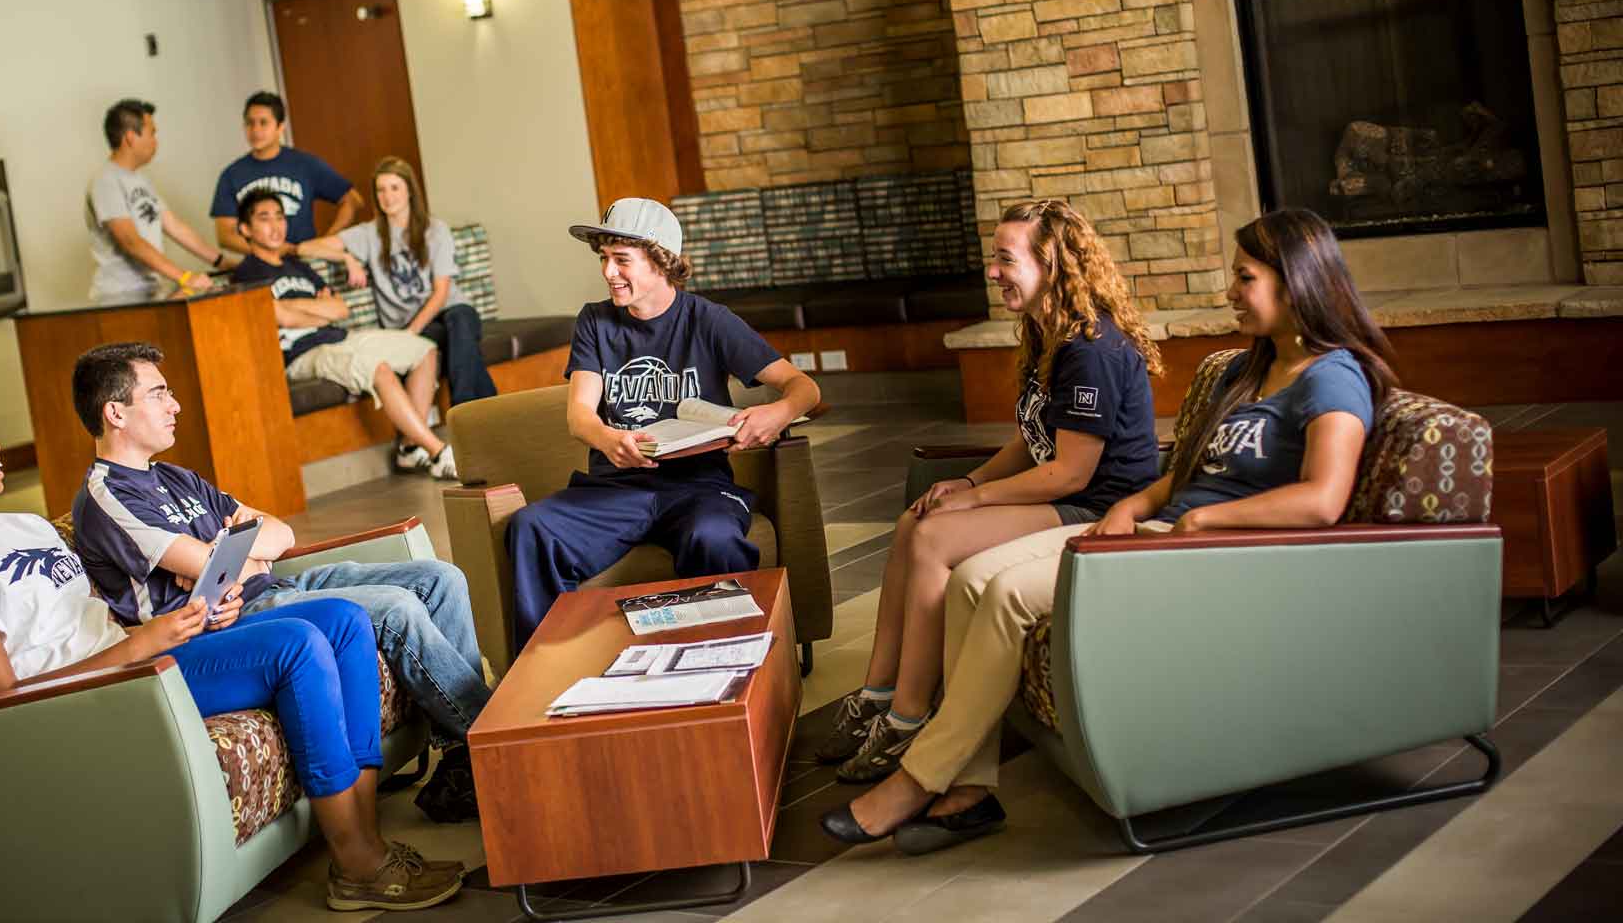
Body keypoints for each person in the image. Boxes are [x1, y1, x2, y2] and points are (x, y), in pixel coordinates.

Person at [821, 208, 1395, 855]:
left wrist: (1204, 519)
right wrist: (1137, 506)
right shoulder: (1248, 370)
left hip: (1216, 554)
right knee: (972, 581)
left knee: (1006, 593)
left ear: (1297, 283)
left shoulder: (1333, 377)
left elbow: (1323, 500)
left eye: (1245, 277)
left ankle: (917, 778)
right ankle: (969, 792)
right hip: (1159, 532)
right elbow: (1181, 470)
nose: (1231, 291)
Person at [0, 378, 464, 911]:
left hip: (139, 657)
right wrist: (138, 646)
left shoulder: (21, 526)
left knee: (342, 621)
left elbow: (83, 622)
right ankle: (358, 863)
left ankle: (367, 834)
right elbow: (2, 696)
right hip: (106, 692)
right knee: (299, 645)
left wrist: (173, 625)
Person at [64, 341, 489, 821]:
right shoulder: (107, 497)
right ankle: (493, 744)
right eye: (159, 394)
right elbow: (210, 562)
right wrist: (236, 551)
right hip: (236, 619)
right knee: (397, 608)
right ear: (115, 412)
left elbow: (279, 534)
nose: (175, 405)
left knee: (440, 577)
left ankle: (461, 757)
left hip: (277, 584)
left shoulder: (175, 477)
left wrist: (234, 555)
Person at [820, 199, 1162, 785]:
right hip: (1063, 491)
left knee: (932, 538)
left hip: (1095, 506)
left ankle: (908, 722)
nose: (993, 271)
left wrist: (976, 501)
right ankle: (877, 695)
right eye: (993, 258)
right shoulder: (1045, 332)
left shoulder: (1090, 347)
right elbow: (1034, 440)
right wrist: (972, 482)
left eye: (1006, 259)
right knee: (913, 522)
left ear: (1051, 263)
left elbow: (1070, 474)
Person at [502, 197, 822, 649]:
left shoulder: (709, 320)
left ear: (661, 261)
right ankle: (542, 675)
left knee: (713, 538)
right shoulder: (595, 321)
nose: (609, 272)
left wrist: (778, 412)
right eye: (604, 260)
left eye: (621, 260)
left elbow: (803, 387)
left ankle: (732, 669)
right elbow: (580, 416)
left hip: (700, 488)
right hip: (617, 489)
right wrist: (608, 438)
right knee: (532, 527)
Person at [230, 190, 458, 481]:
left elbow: (340, 309)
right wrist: (313, 308)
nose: (276, 225)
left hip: (338, 336)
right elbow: (280, 317)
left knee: (424, 349)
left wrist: (297, 306)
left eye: (280, 217)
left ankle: (410, 449)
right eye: (265, 218)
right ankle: (437, 452)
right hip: (302, 353)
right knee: (379, 368)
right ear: (245, 229)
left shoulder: (298, 266)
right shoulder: (247, 274)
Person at [339, 157, 498, 424]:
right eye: (381, 190)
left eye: (394, 188)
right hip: (419, 325)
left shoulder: (435, 230)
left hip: (449, 311)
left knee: (460, 323)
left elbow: (442, 291)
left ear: (410, 190)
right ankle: (485, 417)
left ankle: (463, 415)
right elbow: (310, 248)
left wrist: (411, 332)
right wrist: (347, 258)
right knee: (459, 343)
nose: (387, 197)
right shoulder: (369, 234)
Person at [86, 98, 237, 301]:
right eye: (152, 133)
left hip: (150, 290)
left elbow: (175, 227)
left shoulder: (141, 181)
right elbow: (130, 241)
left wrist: (223, 263)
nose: (155, 141)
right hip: (120, 295)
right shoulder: (105, 181)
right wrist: (184, 277)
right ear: (130, 137)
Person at [210, 90, 367, 266]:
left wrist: (327, 241)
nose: (255, 130)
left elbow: (353, 200)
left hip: (307, 262)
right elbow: (225, 235)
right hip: (260, 268)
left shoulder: (304, 164)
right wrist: (273, 250)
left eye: (263, 123)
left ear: (280, 127)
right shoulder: (232, 175)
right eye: (250, 123)